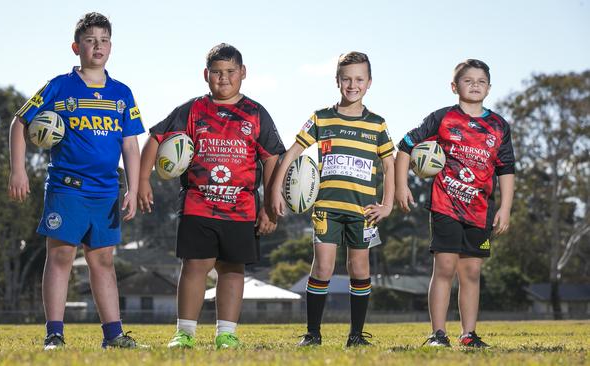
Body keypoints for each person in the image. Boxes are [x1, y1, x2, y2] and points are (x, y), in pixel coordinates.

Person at [8, 12, 144, 350]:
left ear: (111, 46)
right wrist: (18, 170)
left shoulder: (122, 93)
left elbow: (130, 143)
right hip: (67, 187)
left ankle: (113, 335)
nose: (97, 45)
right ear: (76, 47)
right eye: (89, 40)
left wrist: (134, 187)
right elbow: (19, 122)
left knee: (103, 260)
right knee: (60, 257)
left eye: (103, 40)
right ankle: (54, 333)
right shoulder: (59, 86)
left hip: (106, 191)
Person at [138, 43, 285, 349]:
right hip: (199, 205)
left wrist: (270, 206)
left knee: (233, 270)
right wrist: (142, 181)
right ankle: (185, 333)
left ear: (243, 73)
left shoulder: (255, 114)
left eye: (231, 72)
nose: (224, 78)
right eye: (217, 72)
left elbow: (272, 159)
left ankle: (227, 334)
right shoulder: (192, 110)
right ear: (206, 75)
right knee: (195, 267)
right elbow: (155, 138)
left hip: (241, 209)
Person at [269, 52, 395, 347]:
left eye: (359, 79)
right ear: (337, 81)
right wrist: (276, 188)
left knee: (360, 269)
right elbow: (292, 154)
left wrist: (387, 204)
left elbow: (389, 165)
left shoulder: (377, 124)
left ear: (369, 83)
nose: (353, 85)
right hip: (327, 208)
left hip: (364, 211)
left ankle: (356, 336)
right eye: (347, 79)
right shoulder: (321, 118)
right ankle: (313, 334)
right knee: (323, 268)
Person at [395, 59, 515, 348]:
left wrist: (505, 207)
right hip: (445, 205)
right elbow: (405, 145)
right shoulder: (442, 118)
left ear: (489, 87)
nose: (475, 85)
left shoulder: (499, 125)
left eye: (481, 81)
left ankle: (468, 335)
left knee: (471, 272)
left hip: (480, 210)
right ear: (454, 86)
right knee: (445, 267)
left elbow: (506, 169)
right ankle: (438, 334)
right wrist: (401, 186)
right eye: (468, 80)